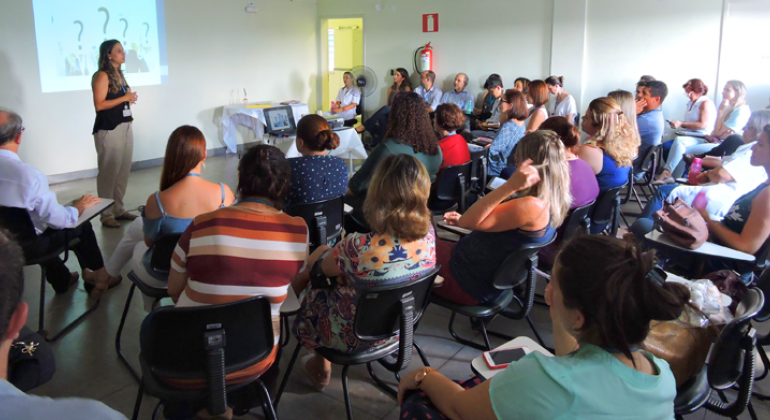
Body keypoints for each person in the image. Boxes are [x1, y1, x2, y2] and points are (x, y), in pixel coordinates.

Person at [398, 235, 686, 420]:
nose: (547, 290)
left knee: (420, 404)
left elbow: (459, 409)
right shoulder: (659, 373)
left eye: (554, 285)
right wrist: (560, 311)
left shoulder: (548, 379)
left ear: (580, 318)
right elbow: (573, 362)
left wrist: (424, 376)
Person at [165, 145, 308, 392]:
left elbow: (174, 290)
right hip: (255, 359)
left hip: (188, 361)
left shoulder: (202, 224)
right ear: (284, 185)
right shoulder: (297, 231)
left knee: (153, 327)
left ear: (240, 179)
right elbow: (288, 288)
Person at [292, 154, 437, 390]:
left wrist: (338, 269)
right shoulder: (430, 234)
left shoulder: (357, 246)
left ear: (377, 193)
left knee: (317, 275)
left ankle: (320, 364)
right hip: (400, 328)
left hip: (351, 336)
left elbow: (322, 270)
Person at [102, 126, 235, 309]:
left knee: (139, 243)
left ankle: (152, 311)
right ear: (204, 154)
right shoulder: (224, 194)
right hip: (211, 274)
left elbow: (149, 242)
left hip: (164, 274)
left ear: (171, 155)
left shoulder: (157, 201)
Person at [0, 230, 128, 420]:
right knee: (39, 355)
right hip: (15, 337)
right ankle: (96, 276)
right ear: (19, 319)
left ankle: (71, 278)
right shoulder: (93, 416)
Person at [432, 131, 570, 306]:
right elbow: (482, 222)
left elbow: (469, 222)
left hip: (466, 280)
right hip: (477, 271)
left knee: (418, 243)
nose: (516, 161)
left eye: (519, 158)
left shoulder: (531, 206)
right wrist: (464, 220)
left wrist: (511, 185)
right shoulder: (551, 200)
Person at [0, 110, 120, 299]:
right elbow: (60, 221)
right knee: (81, 226)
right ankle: (98, 276)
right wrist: (78, 207)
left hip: (6, 244)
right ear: (19, 136)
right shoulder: (28, 176)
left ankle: (62, 279)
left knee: (33, 226)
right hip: (27, 249)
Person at [632, 124, 770, 279]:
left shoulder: (767, 195)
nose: (753, 148)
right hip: (713, 246)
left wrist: (706, 219)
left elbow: (747, 247)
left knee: (642, 225)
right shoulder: (764, 184)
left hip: (715, 261)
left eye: (760, 144)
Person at [631, 110, 770, 222]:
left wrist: (707, 174)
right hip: (717, 192)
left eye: (749, 127)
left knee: (665, 191)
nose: (744, 129)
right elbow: (723, 164)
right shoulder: (748, 149)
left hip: (718, 198)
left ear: (759, 131)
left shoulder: (752, 152)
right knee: (678, 146)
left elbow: (721, 174)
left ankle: (641, 232)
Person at [346, 92, 442, 228]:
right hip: (416, 214)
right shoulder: (435, 148)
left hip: (382, 217)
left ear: (395, 116)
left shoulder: (387, 149)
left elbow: (354, 188)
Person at [655, 80, 750, 184]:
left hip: (721, 145)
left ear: (738, 93)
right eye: (723, 89)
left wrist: (721, 112)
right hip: (712, 138)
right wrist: (719, 129)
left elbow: (717, 132)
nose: (723, 92)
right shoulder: (729, 108)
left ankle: (670, 177)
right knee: (679, 145)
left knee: (682, 147)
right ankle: (672, 178)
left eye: (727, 90)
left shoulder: (740, 110)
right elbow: (717, 131)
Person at [91, 40, 139, 228]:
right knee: (109, 173)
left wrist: (128, 99)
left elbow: (119, 100)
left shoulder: (119, 74)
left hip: (125, 125)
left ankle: (118, 209)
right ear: (108, 55)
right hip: (109, 129)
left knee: (122, 172)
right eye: (118, 51)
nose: (123, 53)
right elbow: (99, 105)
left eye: (123, 50)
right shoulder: (102, 76)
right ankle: (106, 215)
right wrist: (124, 98)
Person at [577, 98, 638, 234]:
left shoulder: (590, 151)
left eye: (586, 117)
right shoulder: (624, 147)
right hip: (600, 219)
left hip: (581, 221)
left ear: (598, 125)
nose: (582, 119)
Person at [286, 115, 348, 209]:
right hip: (334, 222)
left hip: (297, 222)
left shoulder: (290, 166)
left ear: (300, 142)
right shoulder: (340, 164)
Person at [355, 67, 412, 146]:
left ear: (403, 78)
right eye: (395, 74)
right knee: (383, 116)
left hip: (400, 113)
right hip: (390, 112)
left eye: (397, 75)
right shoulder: (390, 89)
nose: (395, 76)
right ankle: (382, 143)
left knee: (386, 108)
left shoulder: (406, 89)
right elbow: (388, 103)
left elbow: (405, 105)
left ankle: (364, 126)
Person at [486, 89, 529, 177]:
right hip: (509, 167)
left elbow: (492, 151)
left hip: (497, 170)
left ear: (510, 105)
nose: (499, 104)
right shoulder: (521, 123)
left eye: (502, 101)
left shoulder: (508, 126)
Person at [634, 80, 667, 173]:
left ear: (656, 99)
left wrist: (631, 113)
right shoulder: (656, 114)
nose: (640, 96)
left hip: (632, 167)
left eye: (645, 93)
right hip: (638, 165)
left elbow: (615, 134)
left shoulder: (646, 120)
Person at [434, 104, 471, 169]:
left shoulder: (440, 147)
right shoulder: (461, 139)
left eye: (435, 117)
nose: (433, 120)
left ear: (441, 122)